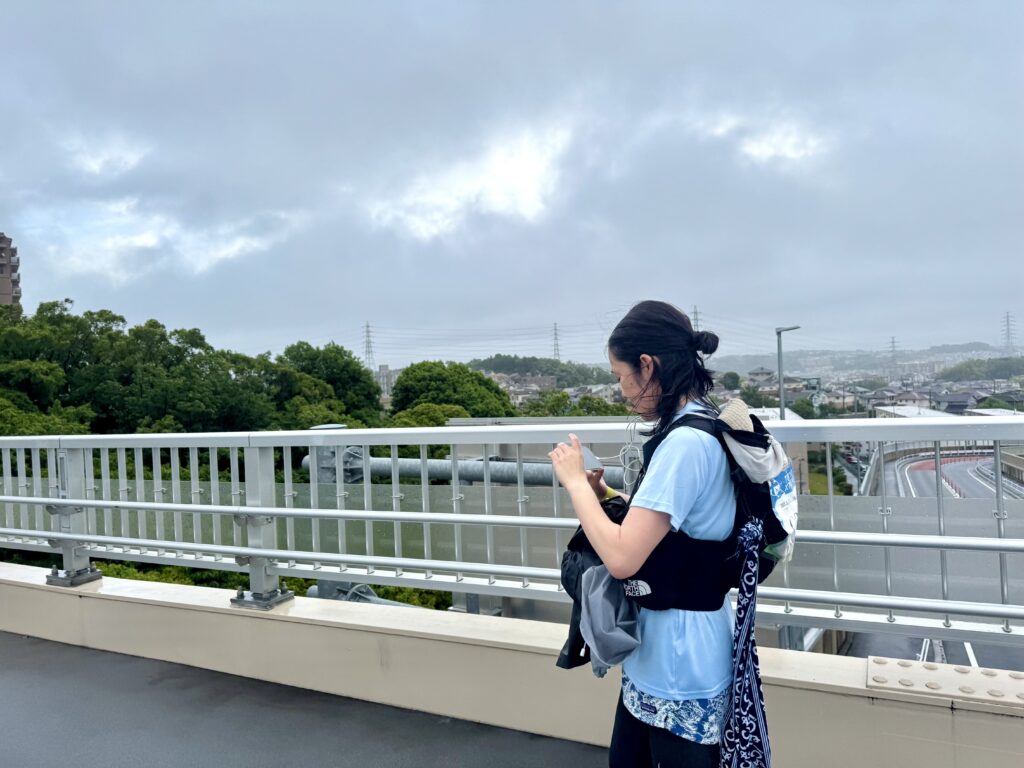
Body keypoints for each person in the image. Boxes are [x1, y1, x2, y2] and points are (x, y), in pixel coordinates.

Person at [549, 300, 732, 768]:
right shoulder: (700, 423)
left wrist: (575, 486)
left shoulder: (685, 444)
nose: (622, 390)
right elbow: (671, 528)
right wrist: (604, 492)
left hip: (679, 660)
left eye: (620, 375)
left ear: (647, 366)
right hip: (669, 649)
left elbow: (624, 558)